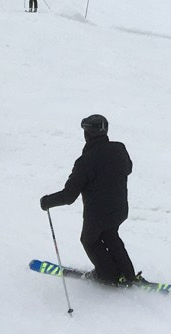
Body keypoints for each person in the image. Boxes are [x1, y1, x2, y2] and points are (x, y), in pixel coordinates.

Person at [39, 115, 138, 287]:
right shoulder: (119, 149)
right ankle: (128, 274)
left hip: (97, 215)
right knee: (111, 235)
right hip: (119, 209)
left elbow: (69, 196)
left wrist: (47, 201)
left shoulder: (86, 161)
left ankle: (108, 275)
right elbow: (128, 169)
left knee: (89, 240)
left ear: (87, 134)